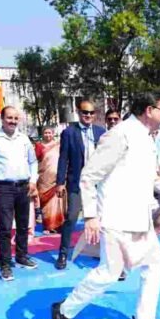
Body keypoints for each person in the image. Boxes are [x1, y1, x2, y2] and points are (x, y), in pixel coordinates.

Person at [51, 92, 160, 319]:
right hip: (116, 218)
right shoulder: (120, 134)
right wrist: (91, 215)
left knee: (155, 262)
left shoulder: (147, 138)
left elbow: (151, 177)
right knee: (108, 273)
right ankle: (64, 311)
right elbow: (88, 176)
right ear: (149, 110)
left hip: (139, 218)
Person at [0, 106, 39, 281]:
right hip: (3, 189)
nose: (12, 121)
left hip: (24, 187)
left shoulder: (24, 139)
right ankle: (5, 264)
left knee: (23, 225)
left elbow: (33, 162)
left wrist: (33, 181)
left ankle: (21, 256)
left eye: (15, 118)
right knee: (5, 228)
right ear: (2, 119)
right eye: (9, 118)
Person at [55, 101, 106, 270]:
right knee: (71, 218)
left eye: (91, 113)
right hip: (77, 183)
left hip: (98, 184)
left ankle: (100, 252)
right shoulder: (69, 133)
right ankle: (63, 253)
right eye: (85, 112)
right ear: (79, 113)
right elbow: (63, 158)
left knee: (102, 219)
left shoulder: (101, 132)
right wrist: (60, 182)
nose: (88, 115)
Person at [36, 126, 66, 233]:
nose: (48, 135)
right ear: (42, 134)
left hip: (58, 179)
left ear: (53, 134)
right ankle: (48, 226)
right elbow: (35, 161)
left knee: (59, 201)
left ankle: (59, 226)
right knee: (46, 204)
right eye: (46, 133)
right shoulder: (39, 146)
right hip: (44, 179)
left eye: (50, 133)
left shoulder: (58, 145)